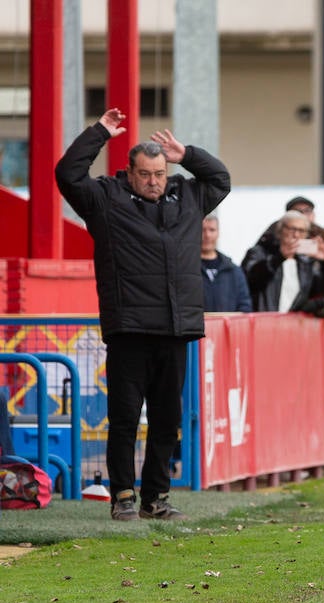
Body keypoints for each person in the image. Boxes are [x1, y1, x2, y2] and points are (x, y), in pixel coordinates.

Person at [55, 108, 230, 521]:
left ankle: (156, 497)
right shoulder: (104, 200)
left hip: (175, 328)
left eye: (160, 173)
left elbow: (220, 178)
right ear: (129, 173)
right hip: (130, 328)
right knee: (125, 419)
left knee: (168, 421)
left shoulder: (188, 196)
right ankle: (123, 496)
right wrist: (99, 132)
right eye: (145, 174)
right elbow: (67, 174)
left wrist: (186, 154)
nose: (153, 181)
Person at [242, 210, 324, 318]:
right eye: (292, 229)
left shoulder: (305, 263)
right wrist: (279, 257)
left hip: (290, 327)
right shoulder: (260, 252)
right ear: (280, 230)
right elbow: (250, 280)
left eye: (301, 231)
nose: (296, 235)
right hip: (262, 324)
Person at [200, 214, 251, 313]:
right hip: (197, 328)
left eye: (212, 230)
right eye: (202, 230)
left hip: (228, 328)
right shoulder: (186, 269)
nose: (207, 235)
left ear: (218, 233)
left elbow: (245, 306)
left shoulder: (234, 271)